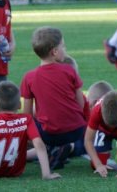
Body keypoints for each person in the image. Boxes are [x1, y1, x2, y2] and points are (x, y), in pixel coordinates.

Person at [20, 26, 86, 169]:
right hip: (77, 130)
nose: (65, 49)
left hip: (50, 135)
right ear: (54, 51)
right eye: (63, 46)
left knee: (26, 127)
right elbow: (80, 105)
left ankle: (47, 150)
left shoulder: (29, 77)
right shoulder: (69, 70)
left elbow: (27, 116)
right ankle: (56, 150)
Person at [85, 90, 117, 178]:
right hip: (104, 130)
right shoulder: (97, 111)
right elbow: (88, 140)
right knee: (94, 164)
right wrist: (98, 165)